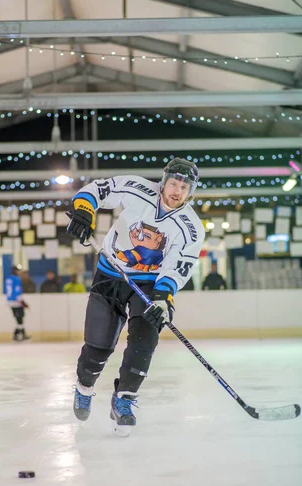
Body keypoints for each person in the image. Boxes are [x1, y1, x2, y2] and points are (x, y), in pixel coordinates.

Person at [67, 157, 205, 436]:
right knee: (98, 346)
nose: (177, 191)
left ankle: (124, 399)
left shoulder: (191, 228)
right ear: (164, 181)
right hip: (109, 275)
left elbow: (177, 266)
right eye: (174, 183)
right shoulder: (138, 188)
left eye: (184, 186)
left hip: (150, 286)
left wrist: (163, 298)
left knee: (144, 341)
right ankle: (84, 386)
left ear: (191, 191)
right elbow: (99, 190)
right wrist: (84, 209)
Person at [5, 265, 31, 341]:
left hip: (10, 301)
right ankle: (19, 335)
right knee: (20, 319)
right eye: (19, 270)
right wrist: (22, 301)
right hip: (16, 301)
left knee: (19, 319)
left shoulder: (8, 279)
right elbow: (17, 290)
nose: (20, 272)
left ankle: (21, 334)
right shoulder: (16, 279)